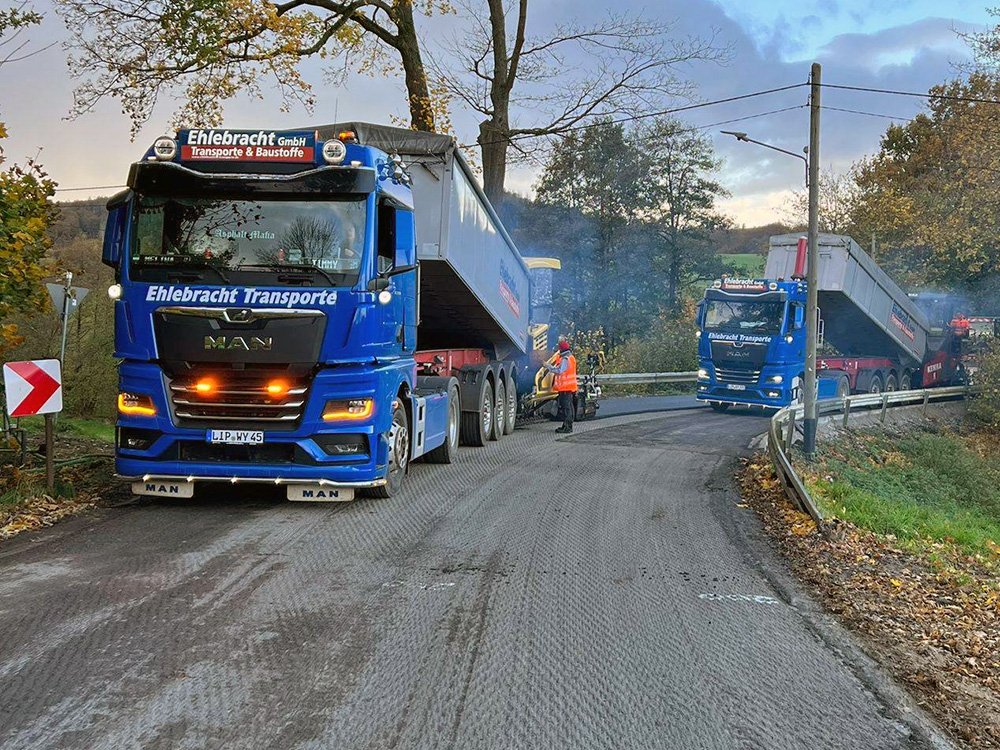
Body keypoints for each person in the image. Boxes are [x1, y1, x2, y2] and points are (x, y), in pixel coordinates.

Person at [544, 340, 578, 434]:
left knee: (566, 408)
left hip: (565, 388)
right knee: (569, 407)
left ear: (561, 349)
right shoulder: (571, 357)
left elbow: (559, 370)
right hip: (569, 387)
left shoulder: (565, 359)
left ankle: (567, 427)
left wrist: (548, 366)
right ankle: (567, 425)